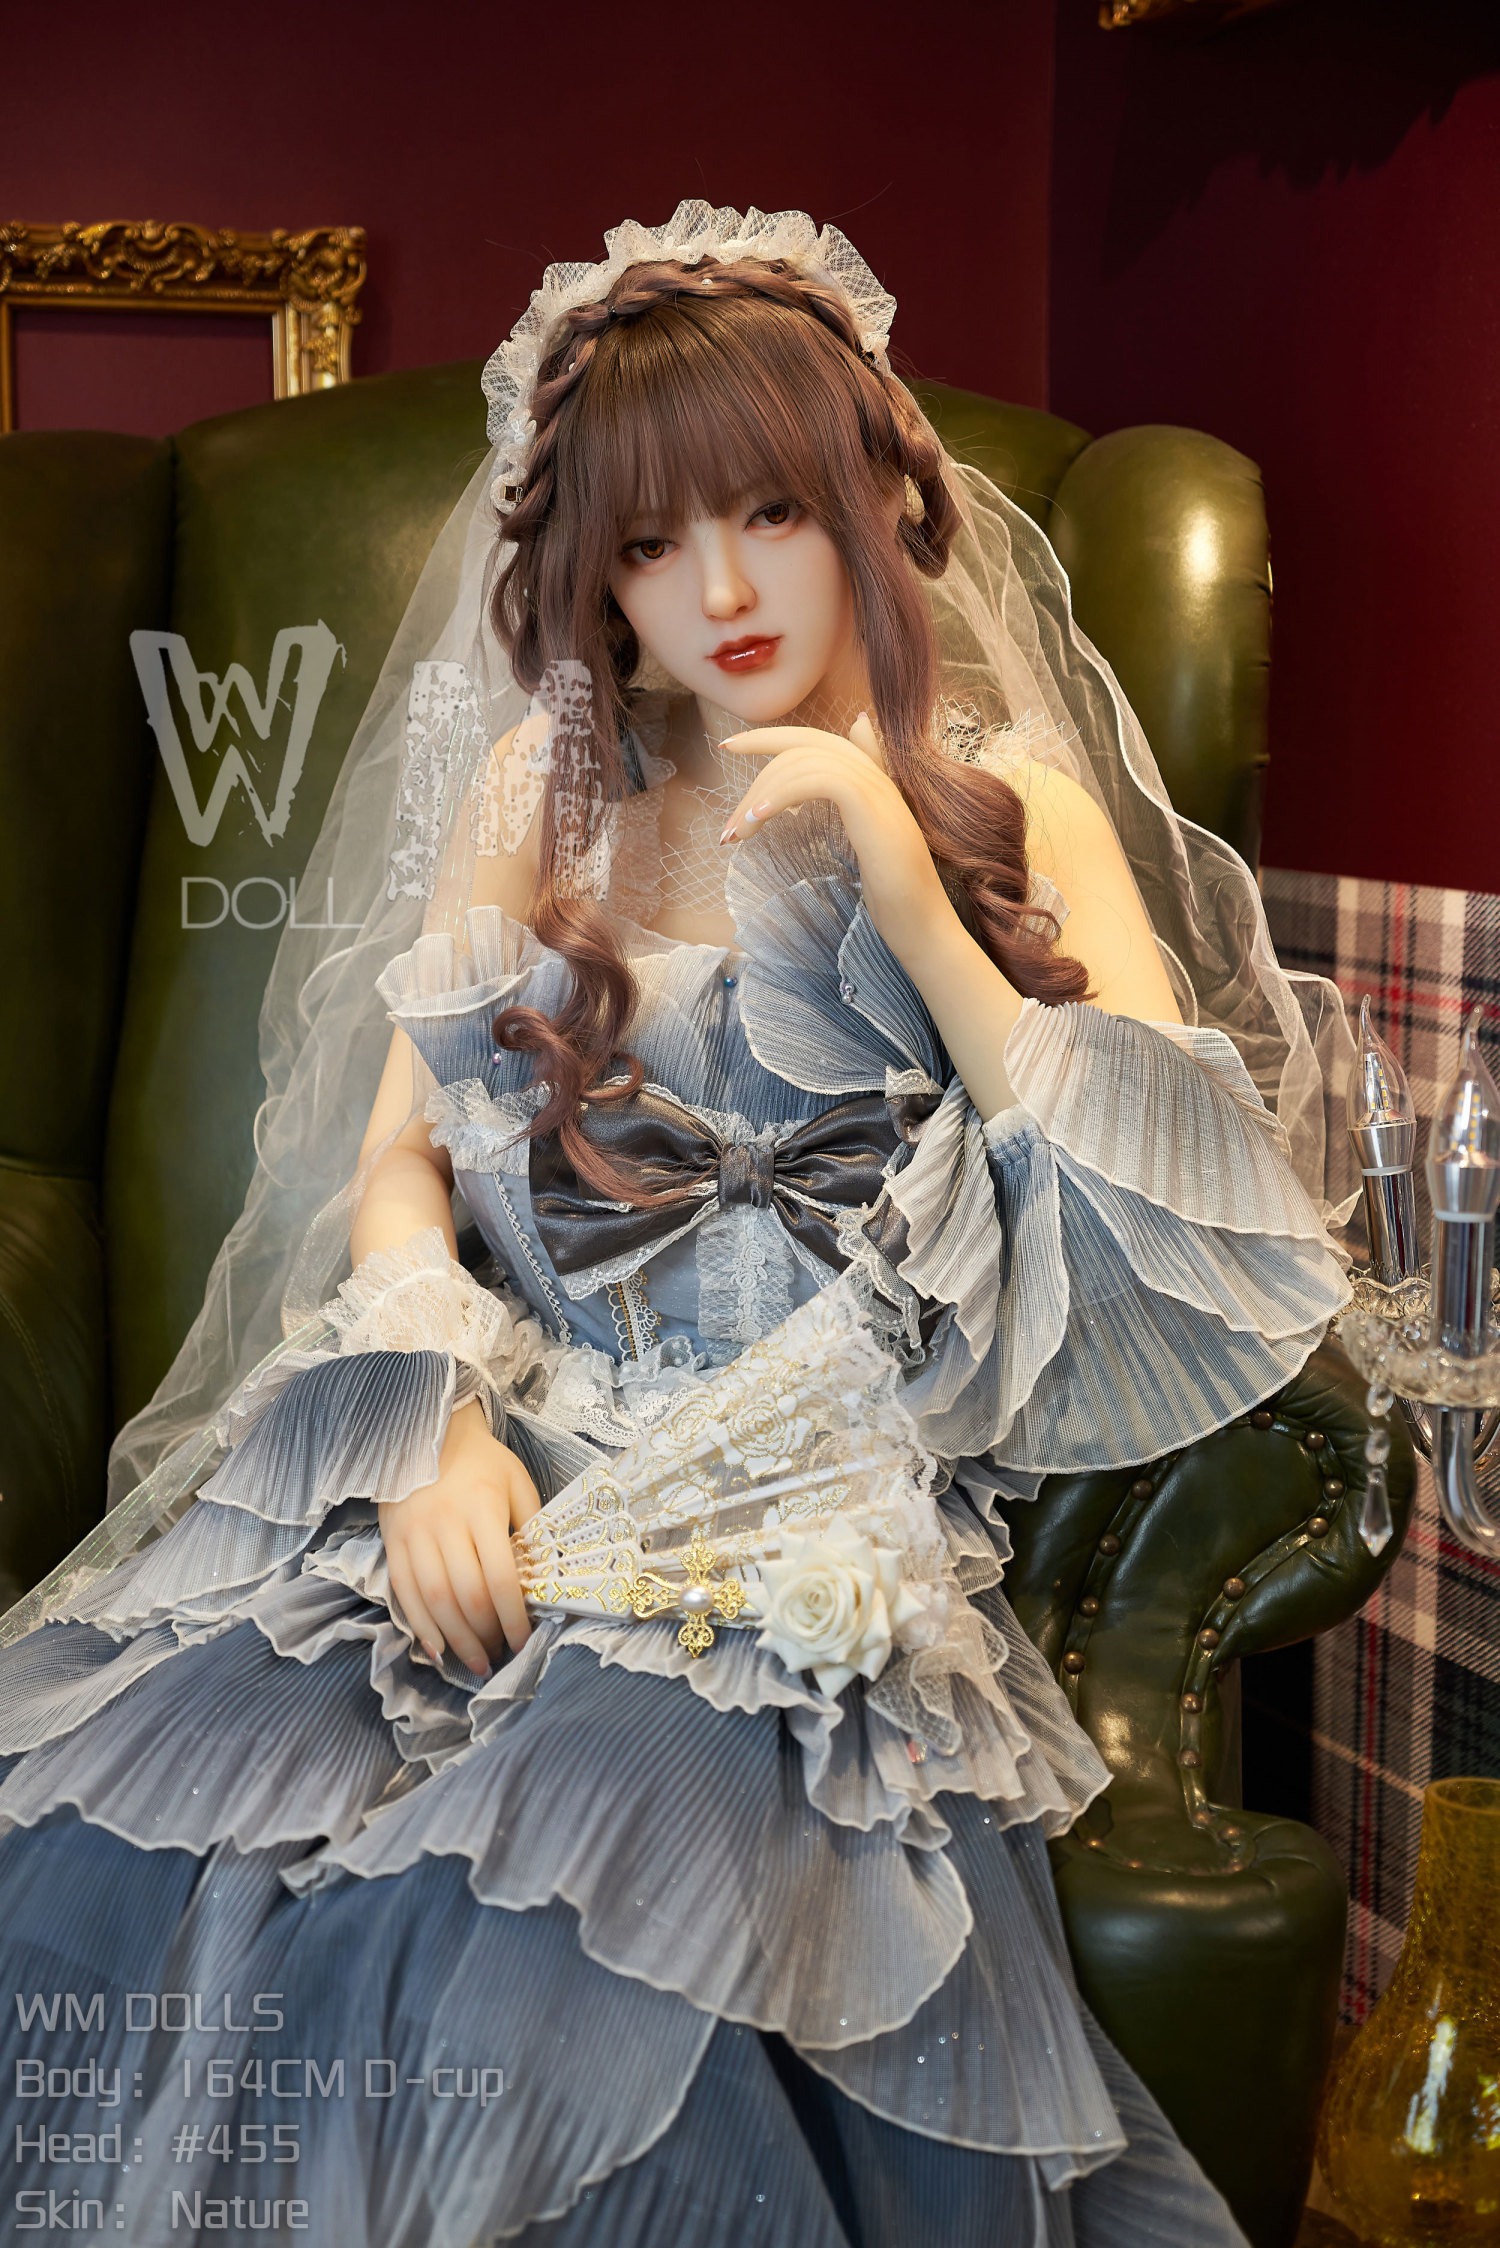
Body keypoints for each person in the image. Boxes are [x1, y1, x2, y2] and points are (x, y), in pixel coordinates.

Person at [0, 204, 1355, 2248]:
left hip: (800, 1512)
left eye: (769, 512)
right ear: (592, 574)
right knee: (152, 1850)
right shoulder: (539, 802)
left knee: (538, 1937)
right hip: (513, 1448)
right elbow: (398, 1165)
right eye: (649, 542)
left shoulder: (1014, 810)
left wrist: (900, 872)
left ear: (875, 500)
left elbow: (1178, 1202)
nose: (717, 591)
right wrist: (429, 1428)